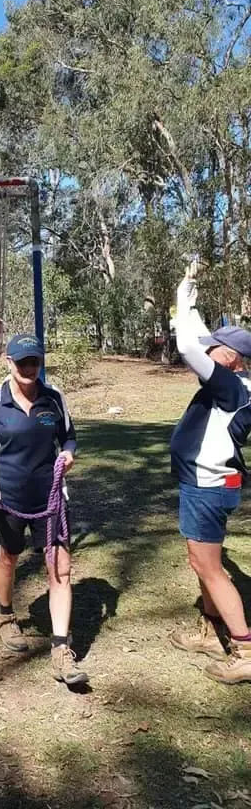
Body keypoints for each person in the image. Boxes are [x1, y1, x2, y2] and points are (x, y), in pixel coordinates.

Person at [0, 333, 87, 685]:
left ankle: (61, 648)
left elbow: (69, 435)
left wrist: (68, 453)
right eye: (22, 362)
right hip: (7, 498)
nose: (29, 368)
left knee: (60, 568)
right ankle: (6, 617)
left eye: (34, 361)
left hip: (50, 498)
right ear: (9, 363)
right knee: (9, 557)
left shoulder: (53, 400)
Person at [169, 266, 251, 684]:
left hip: (208, 486)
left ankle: (244, 648)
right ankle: (210, 629)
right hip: (206, 485)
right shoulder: (236, 383)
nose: (208, 353)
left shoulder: (232, 386)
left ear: (231, 358)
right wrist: (191, 294)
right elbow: (197, 335)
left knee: (210, 567)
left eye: (215, 350)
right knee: (204, 563)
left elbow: (187, 344)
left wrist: (183, 293)